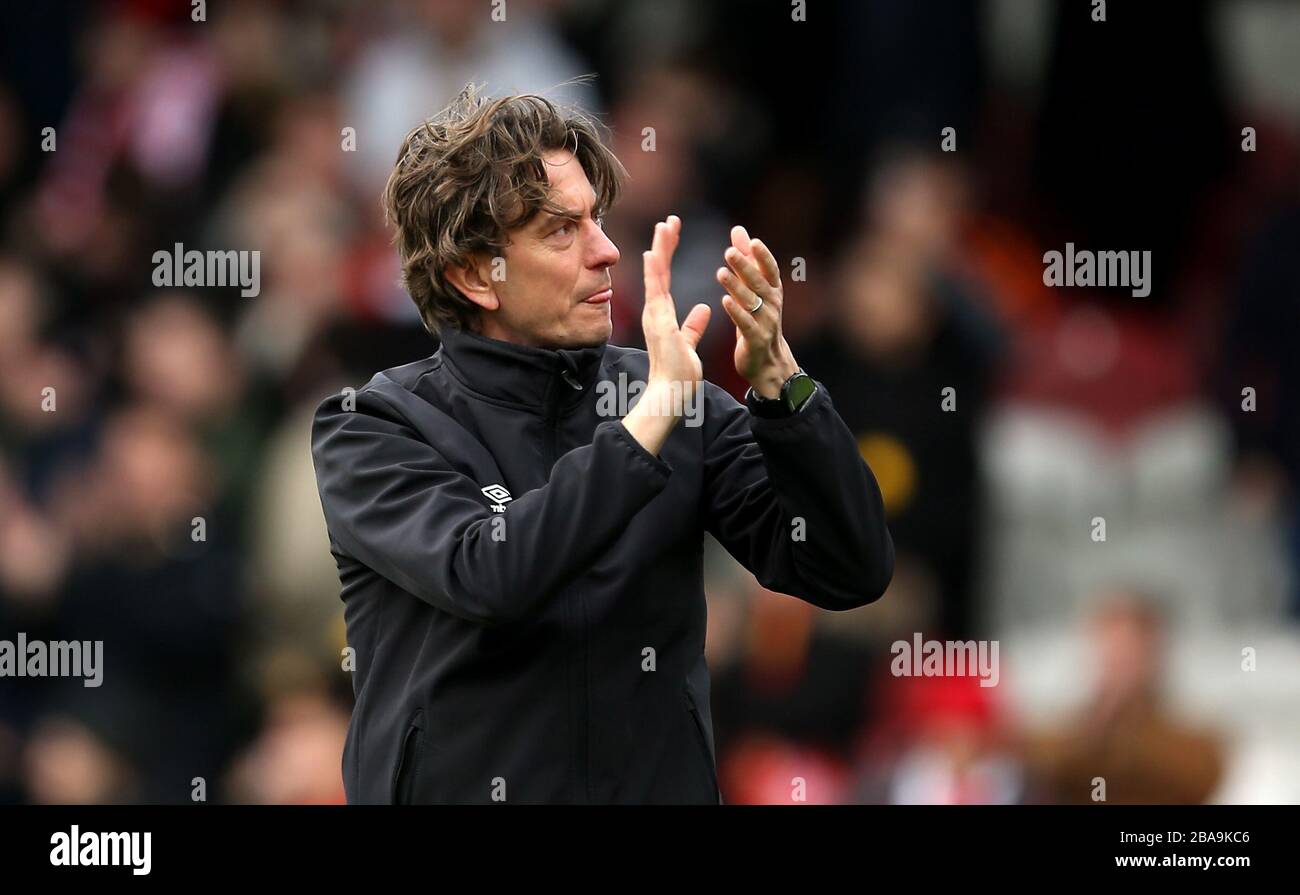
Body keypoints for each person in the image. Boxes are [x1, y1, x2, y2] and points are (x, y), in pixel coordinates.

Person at [309, 84, 894, 804]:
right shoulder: (374, 425)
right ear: (474, 274)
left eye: (597, 219)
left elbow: (848, 568)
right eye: (561, 230)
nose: (608, 251)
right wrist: (647, 425)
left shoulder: (675, 402)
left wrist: (784, 389)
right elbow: (489, 573)